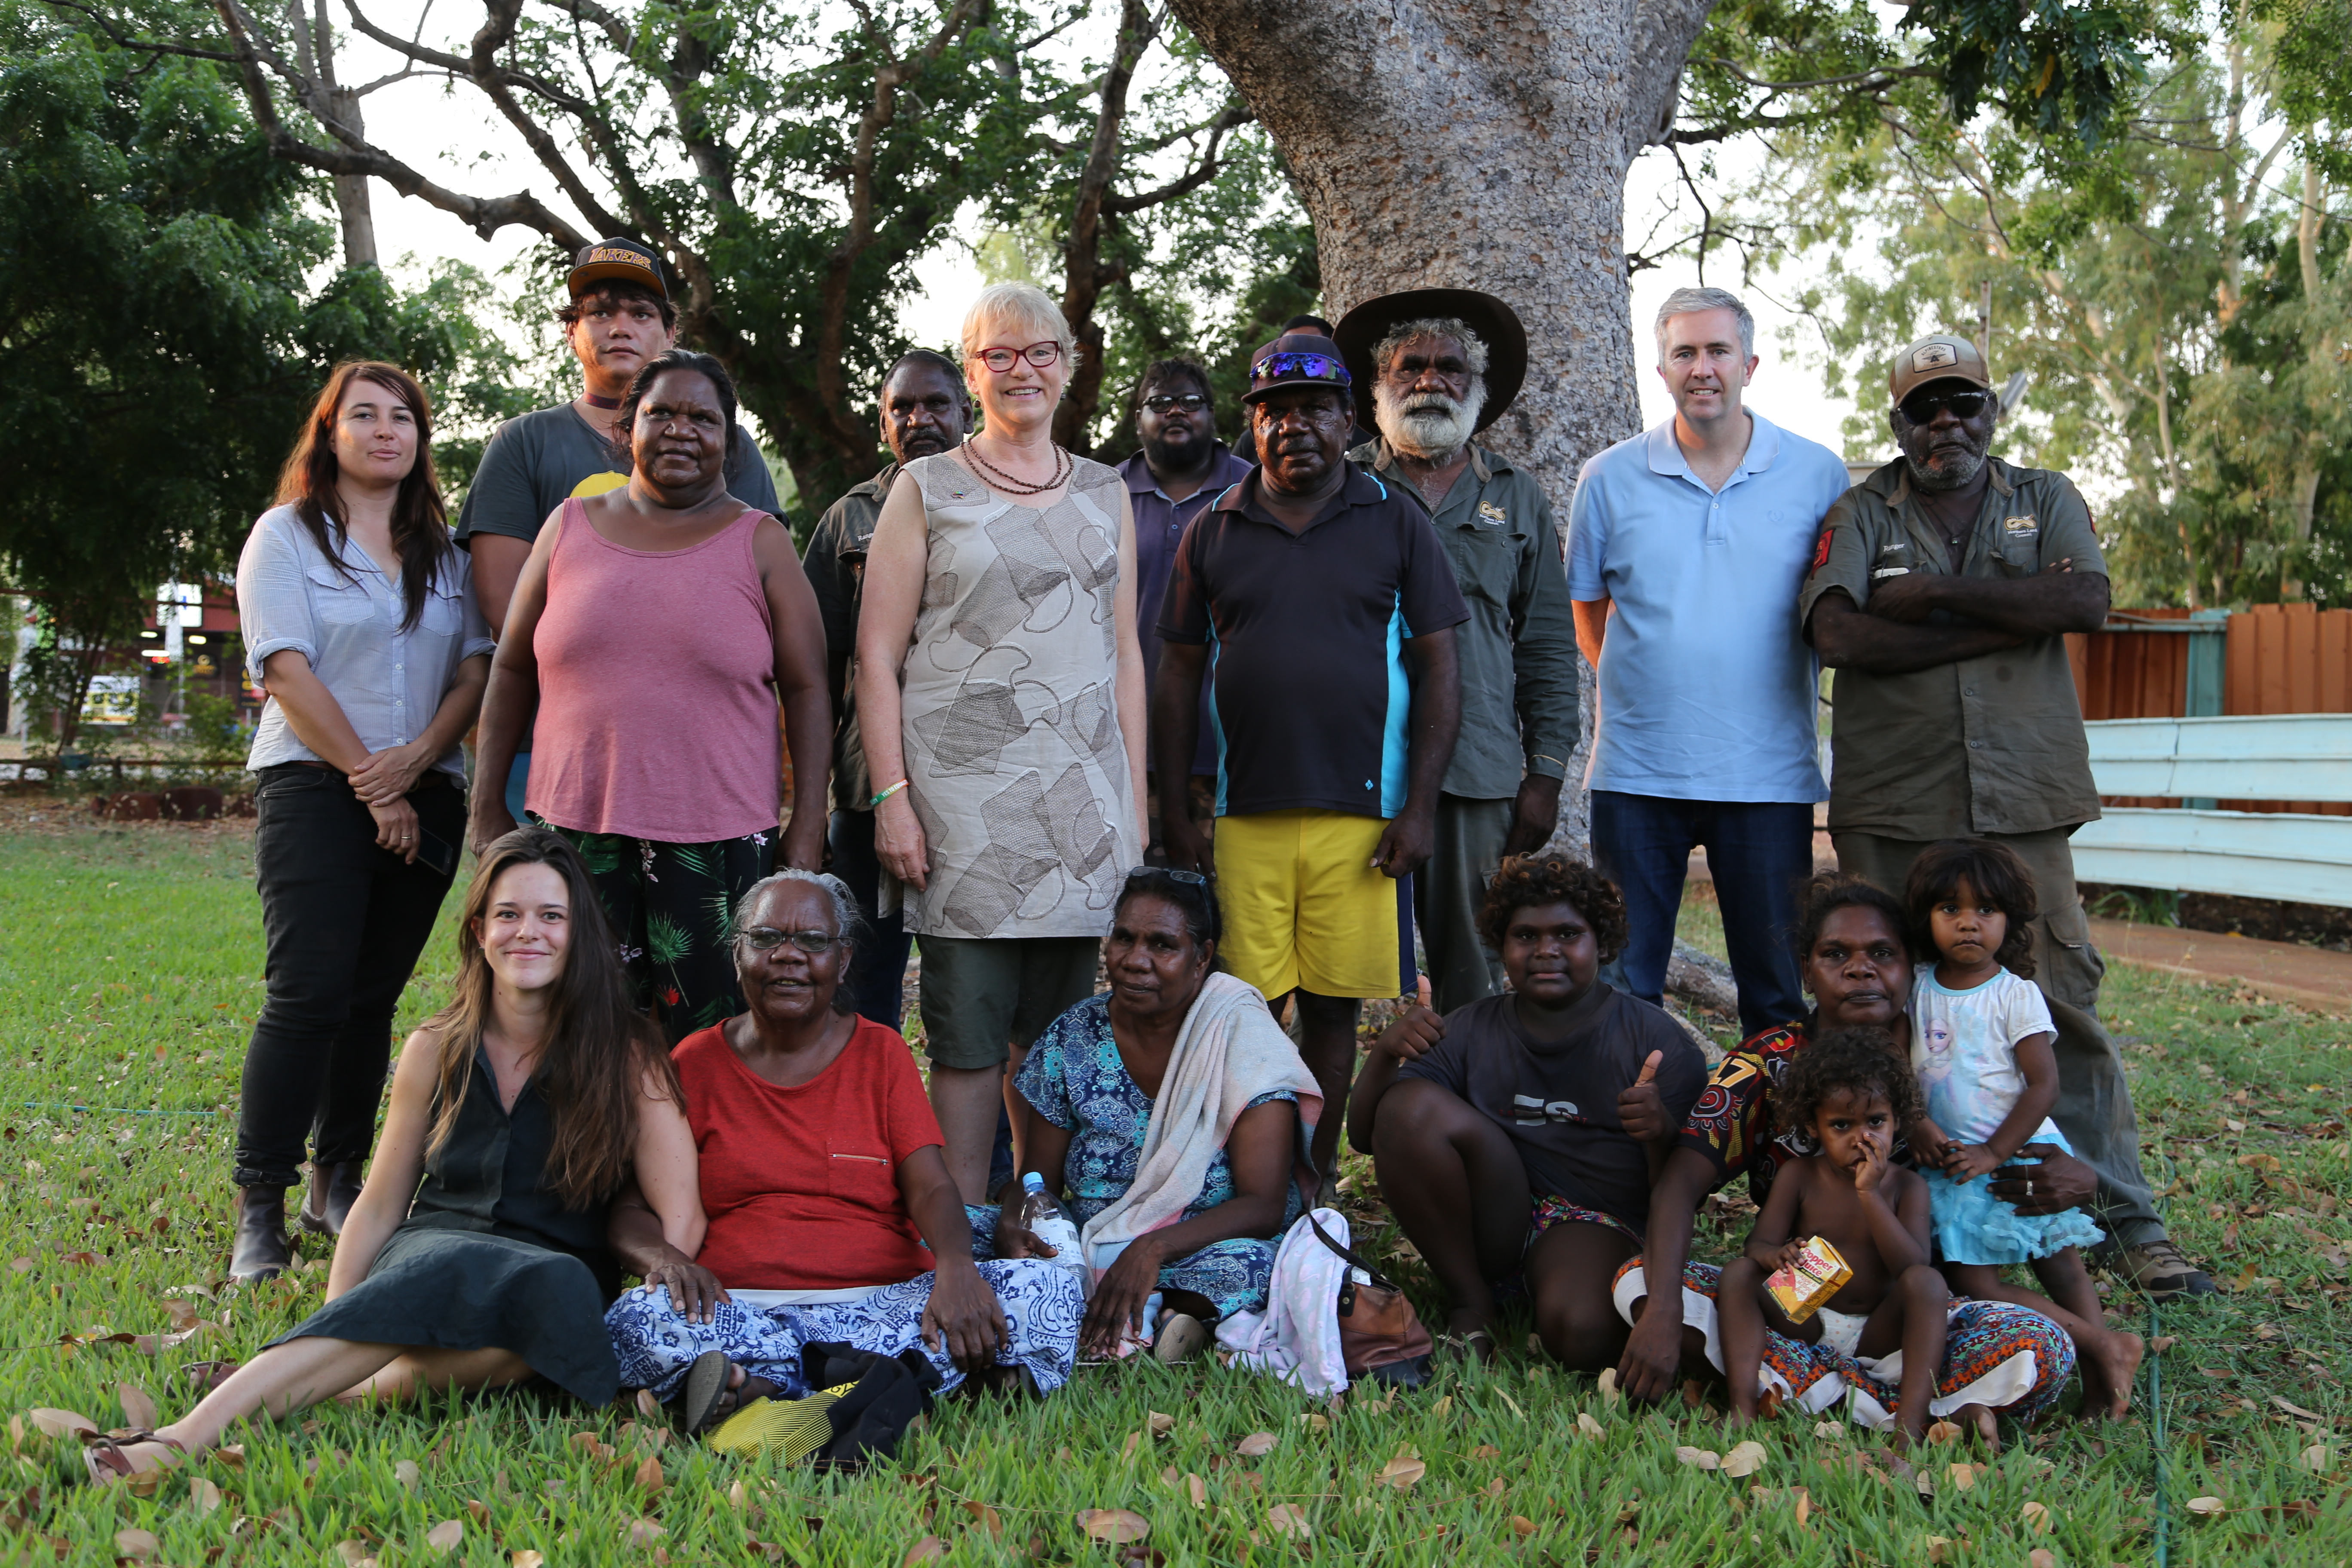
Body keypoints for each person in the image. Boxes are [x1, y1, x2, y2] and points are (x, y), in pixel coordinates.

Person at [77, 830, 704, 1483]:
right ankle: (180, 1441)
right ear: (479, 930)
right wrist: (340, 1312)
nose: (529, 934)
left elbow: (680, 1212)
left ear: (580, 934)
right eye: (508, 915)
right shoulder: (436, 1044)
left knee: (547, 1303)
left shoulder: (629, 1052)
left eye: (552, 916)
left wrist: (651, 1306)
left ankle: (327, 1384)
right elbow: (379, 1203)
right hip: (433, 1248)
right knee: (461, 1274)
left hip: (556, 1277)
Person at [1801, 332, 2213, 1299]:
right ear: (1895, 422)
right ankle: (1878, 1216)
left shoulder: (2046, 497)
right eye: (1926, 408)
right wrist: (2014, 616)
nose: (1948, 422)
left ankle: (2127, 1222)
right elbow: (1838, 631)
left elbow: (2088, 603)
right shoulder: (1860, 511)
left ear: (1994, 411)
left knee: (2059, 1005)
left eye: (1966, 403)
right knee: (1876, 1012)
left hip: (2024, 797)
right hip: (1897, 797)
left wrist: (1935, 597)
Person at [1614, 873, 2089, 1445]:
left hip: (1905, 1311)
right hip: (1801, 1297)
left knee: (2042, 1345)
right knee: (1639, 1282)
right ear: (1807, 969)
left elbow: (2017, 1131)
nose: (1860, 970)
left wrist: (2079, 1174)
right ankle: (1886, 1405)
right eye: (1836, 954)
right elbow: (1681, 1184)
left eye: (1882, 954)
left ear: (1911, 965)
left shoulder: (1947, 1054)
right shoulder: (1769, 1063)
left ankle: (1817, 1391)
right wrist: (1664, 1310)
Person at [856, 282, 1148, 1202]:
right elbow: (874, 654)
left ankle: (1041, 1225)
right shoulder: (926, 486)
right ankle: (966, 1235)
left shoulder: (1107, 491)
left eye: (1041, 352)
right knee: (971, 1040)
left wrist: (1130, 813)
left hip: (1084, 809)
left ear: (1069, 362)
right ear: (974, 368)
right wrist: (891, 798)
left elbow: (1125, 654)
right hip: (961, 811)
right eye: (999, 354)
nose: (1023, 370)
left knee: (1059, 1041)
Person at [602, 871, 1083, 1423]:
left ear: (844, 959)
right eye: (766, 938)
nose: (789, 956)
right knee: (638, 1319)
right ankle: (898, 1382)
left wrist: (955, 1268)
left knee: (1050, 1291)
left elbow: (930, 1185)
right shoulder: (695, 1062)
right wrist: (665, 1260)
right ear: (738, 954)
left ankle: (764, 1385)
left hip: (883, 1302)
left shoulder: (882, 1054)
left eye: (813, 941)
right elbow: (631, 1209)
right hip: (740, 1306)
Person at [1154, 330, 1467, 1176]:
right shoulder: (1212, 530)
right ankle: (1244, 1178)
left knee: (1332, 1013)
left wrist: (1421, 806)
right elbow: (1177, 676)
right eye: (1275, 412)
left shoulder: (1394, 518)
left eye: (1315, 409)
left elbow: (1440, 664)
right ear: (1253, 427)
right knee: (1247, 1012)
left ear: (1348, 420)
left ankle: (1310, 1182)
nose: (1296, 427)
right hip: (1243, 816)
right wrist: (1174, 812)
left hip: (1363, 820)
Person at [467, 350, 830, 1040]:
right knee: (570, 1033)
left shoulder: (762, 543)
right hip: (572, 838)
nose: (682, 430)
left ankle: (692, 1155)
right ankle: (586, 1155)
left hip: (717, 842)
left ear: (729, 439)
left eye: (705, 418)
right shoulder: (567, 528)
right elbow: (511, 669)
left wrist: (808, 819)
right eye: (662, 412)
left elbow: (810, 687)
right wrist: (487, 807)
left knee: (706, 1041)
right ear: (627, 427)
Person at [229, 361, 495, 1278]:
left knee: (370, 1000)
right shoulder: (287, 537)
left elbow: (474, 672)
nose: (387, 431)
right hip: (312, 784)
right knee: (307, 994)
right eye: (366, 416)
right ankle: (259, 1207)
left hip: (431, 789)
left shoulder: (447, 553)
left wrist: (416, 765)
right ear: (330, 432)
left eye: (405, 419)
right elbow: (285, 668)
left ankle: (334, 1183)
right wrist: (372, 785)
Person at [1565, 287, 1853, 1037]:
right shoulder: (1607, 477)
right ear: (1660, 370)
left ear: (1749, 363)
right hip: (1637, 774)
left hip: (1767, 777)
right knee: (1625, 987)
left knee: (1775, 994)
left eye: (1718, 350)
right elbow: (1586, 610)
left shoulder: (1817, 473)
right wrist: (1654, 682)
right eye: (1684, 353)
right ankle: (1632, 1152)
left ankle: (1772, 1151)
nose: (1702, 368)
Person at [455, 239, 782, 823]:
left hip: (706, 754)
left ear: (670, 332)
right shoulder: (523, 444)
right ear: (571, 333)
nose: (620, 327)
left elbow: (764, 601)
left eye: (640, 313)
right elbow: (503, 605)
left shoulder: (730, 447)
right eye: (600, 312)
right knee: (560, 911)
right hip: (551, 747)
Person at [1347, 853, 1703, 1367]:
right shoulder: (1471, 1027)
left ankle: (1554, 1287)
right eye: (1526, 936)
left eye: (1567, 935)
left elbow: (1684, 1187)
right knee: (1410, 1107)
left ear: (1601, 944)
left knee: (1582, 1334)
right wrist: (1386, 1053)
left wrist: (1658, 1131)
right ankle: (1471, 1298)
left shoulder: (1653, 1041)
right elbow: (1368, 1134)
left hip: (1594, 1218)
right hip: (1497, 1213)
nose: (1546, 951)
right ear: (1501, 945)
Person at [1335, 290, 1580, 1012]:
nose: (1430, 381)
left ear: (1476, 389)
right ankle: (1364, 1120)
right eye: (1412, 367)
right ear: (1380, 385)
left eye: (1450, 368)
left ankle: (1467, 1115)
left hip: (1477, 775)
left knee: (1471, 973)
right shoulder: (1343, 486)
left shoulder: (1516, 495)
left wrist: (1544, 774)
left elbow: (1546, 645)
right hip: (1359, 772)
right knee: (1346, 976)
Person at [990, 869, 1321, 1362]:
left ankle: (1142, 1311)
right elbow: (1038, 1180)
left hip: (1200, 1247)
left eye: (1162, 945)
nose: (1134, 962)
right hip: (1090, 1242)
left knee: (1260, 1266)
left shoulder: (1241, 1038)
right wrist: (1018, 1218)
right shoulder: (1075, 1035)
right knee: (961, 1230)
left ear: (1202, 957)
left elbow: (1264, 1206)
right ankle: (1160, 1320)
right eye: (1124, 938)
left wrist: (1150, 1250)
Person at [1902, 839, 2141, 1416]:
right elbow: (1900, 1070)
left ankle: (2101, 1371)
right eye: (1950, 910)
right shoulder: (1915, 987)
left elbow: (2044, 1086)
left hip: (2020, 1154)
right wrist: (1918, 1124)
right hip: (1955, 1164)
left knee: (2062, 1267)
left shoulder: (2016, 995)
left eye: (1985, 910)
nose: (1968, 924)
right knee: (1976, 1280)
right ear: (1926, 918)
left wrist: (1994, 1152)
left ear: (2008, 920)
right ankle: (2107, 1348)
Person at [805, 350, 971, 1029]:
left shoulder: (1004, 504)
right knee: (861, 984)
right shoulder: (850, 519)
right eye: (902, 408)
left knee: (971, 990)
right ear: (883, 424)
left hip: (974, 778)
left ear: (968, 413)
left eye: (936, 404)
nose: (920, 419)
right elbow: (816, 671)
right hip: (868, 786)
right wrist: (811, 805)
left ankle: (981, 1140)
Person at [1718, 1028, 1947, 1445]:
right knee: (1737, 1274)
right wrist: (1778, 1256)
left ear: (1898, 1118)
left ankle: (1909, 1426)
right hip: (1807, 1315)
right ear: (1813, 1125)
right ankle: (1742, 1406)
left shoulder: (1906, 1187)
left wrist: (1870, 1194)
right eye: (1841, 1125)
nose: (1862, 1138)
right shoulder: (1799, 1176)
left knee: (1929, 1284)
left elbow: (1912, 1268)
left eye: (1876, 1121)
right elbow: (1757, 1246)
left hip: (1879, 1331)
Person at [1120, 358, 1254, 864]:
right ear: (1139, 420)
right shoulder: (1101, 494)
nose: (1176, 411)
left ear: (1213, 415)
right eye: (1160, 403)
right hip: (1128, 752)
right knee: (1140, 918)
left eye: (1190, 402)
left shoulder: (1255, 491)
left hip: (1230, 752)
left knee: (1229, 924)